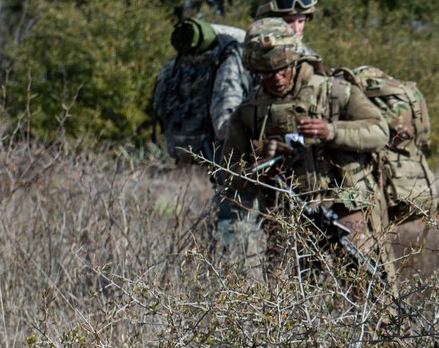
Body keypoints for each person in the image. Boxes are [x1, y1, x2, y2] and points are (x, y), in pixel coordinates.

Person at [223, 18, 389, 275]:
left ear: (295, 60)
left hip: (344, 208)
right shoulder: (248, 113)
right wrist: (260, 157)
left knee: (365, 290)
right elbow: (230, 174)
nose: (276, 79)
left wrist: (331, 132)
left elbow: (380, 132)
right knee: (286, 298)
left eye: (283, 69)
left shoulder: (334, 92)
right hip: (285, 215)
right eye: (267, 73)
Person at [151, 16, 251, 163]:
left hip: (187, 150)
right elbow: (224, 122)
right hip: (223, 154)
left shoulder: (176, 65)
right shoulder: (234, 49)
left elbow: (158, 106)